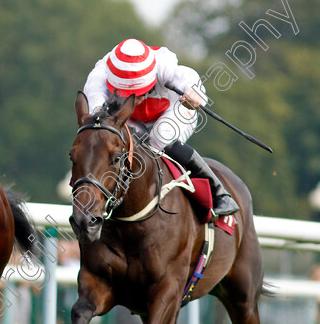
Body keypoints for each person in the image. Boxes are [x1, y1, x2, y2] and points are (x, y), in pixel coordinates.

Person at [83, 38, 239, 218]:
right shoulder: (99, 77)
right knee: (117, 138)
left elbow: (190, 79)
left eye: (139, 94)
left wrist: (195, 95)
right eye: (128, 95)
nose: (136, 101)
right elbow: (97, 116)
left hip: (173, 110)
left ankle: (219, 193)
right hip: (131, 118)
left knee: (160, 137)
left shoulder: (164, 66)